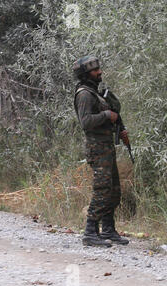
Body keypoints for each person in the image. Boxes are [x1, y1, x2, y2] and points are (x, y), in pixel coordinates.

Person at [72, 56, 129, 247]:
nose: (99, 72)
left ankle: (108, 229)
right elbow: (85, 122)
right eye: (95, 70)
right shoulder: (84, 95)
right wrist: (107, 115)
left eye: (98, 69)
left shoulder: (94, 93)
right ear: (85, 74)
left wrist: (119, 128)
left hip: (106, 147)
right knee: (102, 189)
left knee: (113, 190)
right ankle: (90, 231)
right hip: (97, 150)